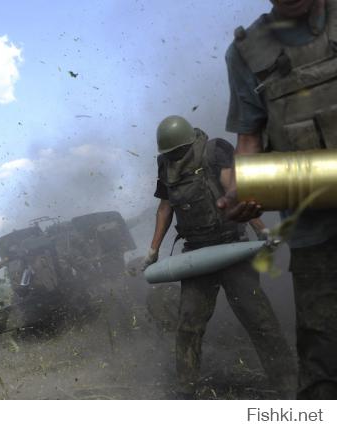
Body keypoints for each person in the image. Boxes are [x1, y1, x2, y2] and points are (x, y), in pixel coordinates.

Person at [223, 0, 337, 399]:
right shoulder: (246, 51)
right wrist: (243, 188)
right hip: (314, 235)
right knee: (324, 363)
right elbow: (249, 139)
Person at [143, 116, 295, 399]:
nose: (175, 157)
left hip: (232, 249)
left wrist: (262, 231)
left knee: (260, 321)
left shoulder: (214, 151)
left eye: (177, 152)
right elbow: (165, 207)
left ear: (189, 142)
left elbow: (234, 192)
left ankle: (287, 385)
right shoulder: (165, 165)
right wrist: (153, 250)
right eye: (170, 154)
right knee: (189, 325)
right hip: (196, 255)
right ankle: (186, 390)